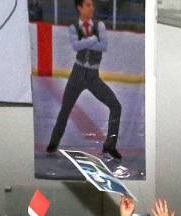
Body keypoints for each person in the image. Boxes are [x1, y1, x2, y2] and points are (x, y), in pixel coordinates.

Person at [45, 0, 123, 161]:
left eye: (92, 5)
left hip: (93, 76)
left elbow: (103, 46)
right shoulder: (74, 27)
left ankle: (110, 144)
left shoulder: (99, 25)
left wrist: (86, 42)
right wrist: (93, 40)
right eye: (88, 5)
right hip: (77, 74)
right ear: (79, 8)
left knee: (116, 106)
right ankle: (53, 142)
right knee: (65, 109)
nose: (92, 8)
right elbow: (76, 46)